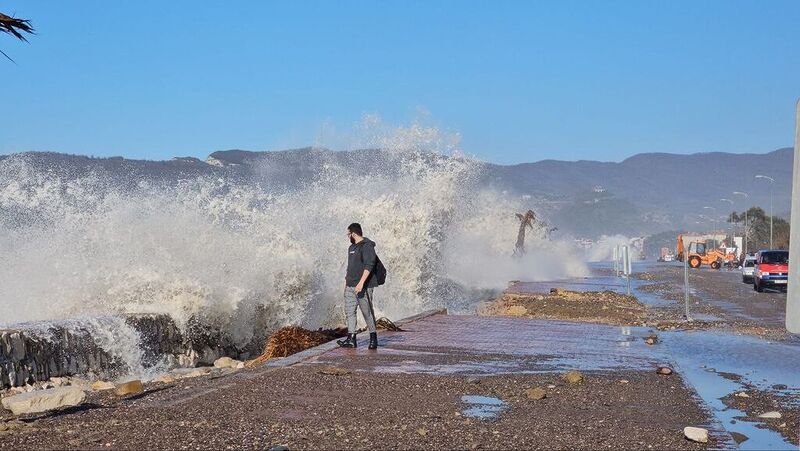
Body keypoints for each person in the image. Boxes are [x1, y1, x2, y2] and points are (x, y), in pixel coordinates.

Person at [337, 223, 379, 350]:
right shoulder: (351, 248)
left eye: (348, 234)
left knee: (367, 312)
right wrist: (346, 281)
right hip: (350, 286)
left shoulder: (367, 246)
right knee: (350, 312)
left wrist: (361, 283)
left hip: (363, 286)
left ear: (353, 234)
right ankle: (351, 339)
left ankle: (373, 338)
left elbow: (369, 265)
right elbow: (350, 267)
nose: (348, 236)